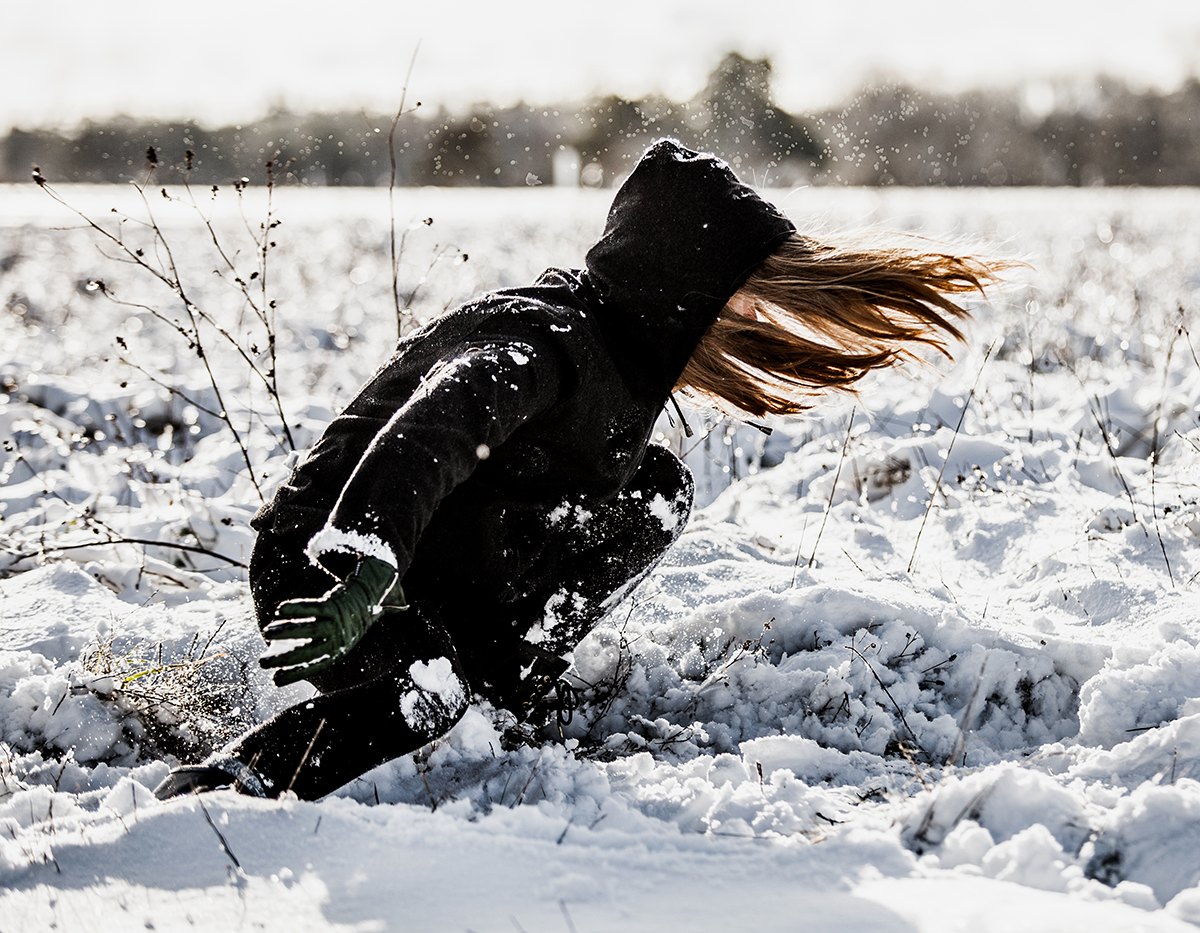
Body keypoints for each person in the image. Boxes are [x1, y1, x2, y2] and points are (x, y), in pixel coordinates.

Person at [155, 138, 1003, 801]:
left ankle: (505, 686)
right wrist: (362, 562)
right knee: (429, 692)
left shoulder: (618, 362)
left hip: (431, 569)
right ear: (681, 281)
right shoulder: (543, 343)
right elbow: (429, 433)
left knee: (657, 490)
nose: (749, 313)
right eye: (739, 291)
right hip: (333, 569)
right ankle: (239, 780)